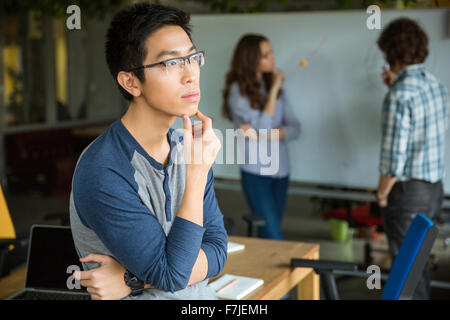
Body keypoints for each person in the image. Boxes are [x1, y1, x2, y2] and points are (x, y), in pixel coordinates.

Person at [69, 3, 227, 300]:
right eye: (171, 63)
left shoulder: (187, 148)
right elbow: (172, 275)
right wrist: (196, 174)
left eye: (192, 58)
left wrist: (132, 280)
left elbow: (218, 249)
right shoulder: (103, 169)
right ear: (130, 82)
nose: (190, 74)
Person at [375, 17, 449, 300]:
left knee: (406, 274)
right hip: (433, 189)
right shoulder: (435, 84)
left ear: (389, 53)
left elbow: (394, 161)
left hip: (408, 195)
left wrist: (382, 195)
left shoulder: (398, 96)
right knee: (419, 267)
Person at [221, 34, 300, 240]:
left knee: (269, 237)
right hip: (256, 172)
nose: (273, 57)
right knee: (274, 236)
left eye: (271, 52)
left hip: (281, 171)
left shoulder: (274, 87)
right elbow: (265, 128)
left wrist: (260, 136)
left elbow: (295, 129)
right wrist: (274, 90)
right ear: (251, 59)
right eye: (266, 55)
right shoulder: (238, 93)